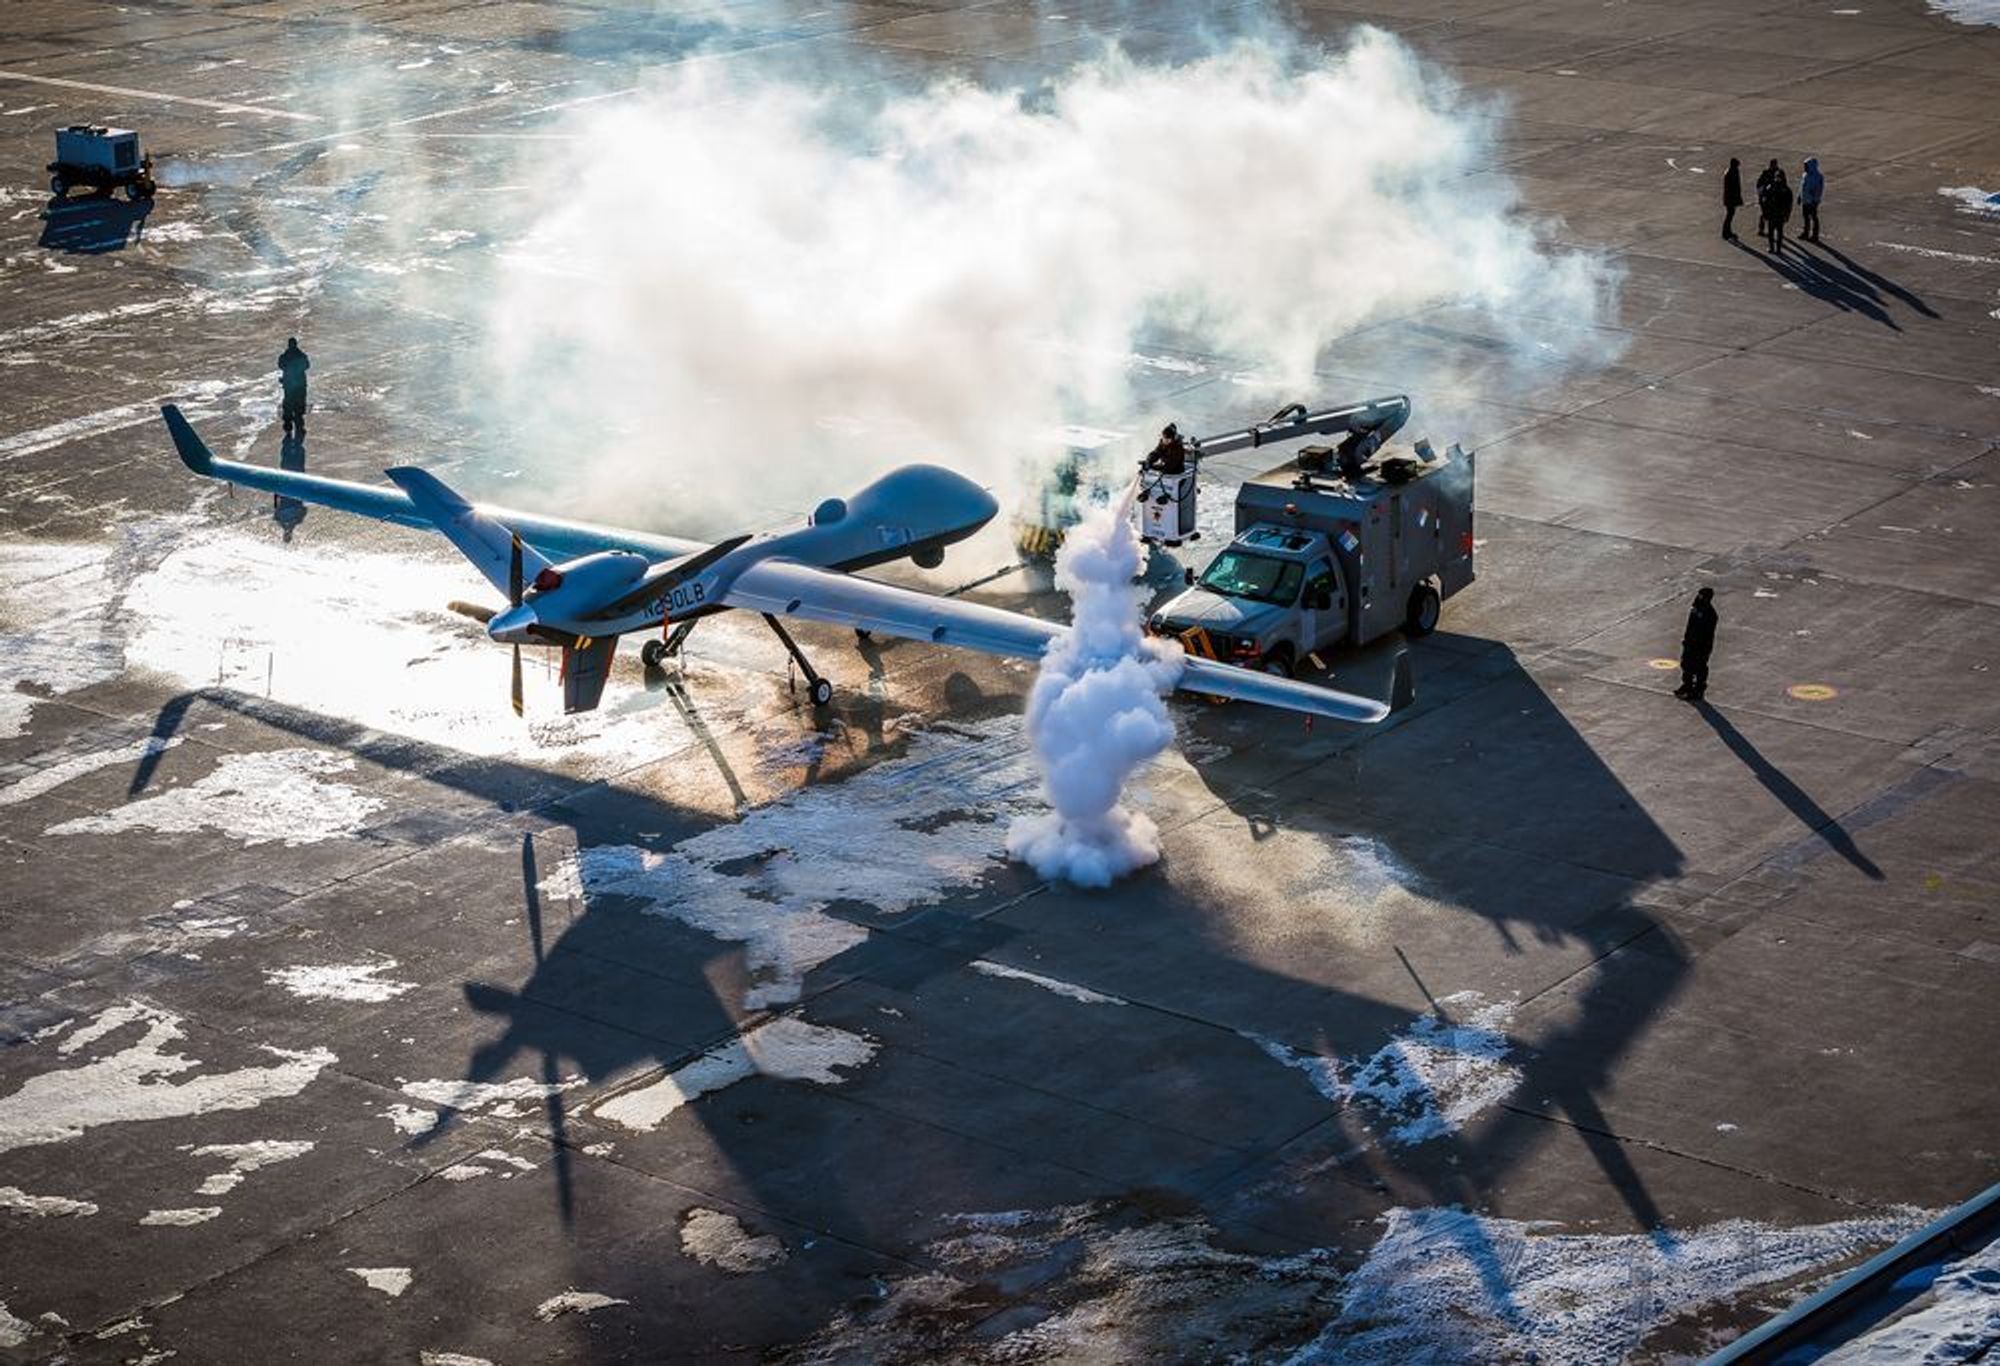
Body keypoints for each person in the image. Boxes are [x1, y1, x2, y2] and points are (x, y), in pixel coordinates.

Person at [1675, 587, 1718, 701]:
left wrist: (1702, 646)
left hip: (1701, 645)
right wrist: (1687, 639)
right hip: (1690, 642)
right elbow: (1690, 625)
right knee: (1686, 663)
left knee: (1699, 666)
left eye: (1702, 595)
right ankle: (1687, 685)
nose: (1699, 597)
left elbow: (1707, 634)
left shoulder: (1710, 614)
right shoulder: (1695, 608)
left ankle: (1699, 689)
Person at [278, 337, 310, 437]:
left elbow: (280, 365)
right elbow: (307, 366)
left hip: (288, 384)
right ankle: (299, 426)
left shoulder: (284, 356)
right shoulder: (301, 355)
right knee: (299, 405)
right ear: (296, 344)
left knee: (288, 403)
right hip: (300, 384)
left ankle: (288, 427)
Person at [1762, 169, 1793, 253]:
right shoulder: (1771, 187)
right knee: (1771, 232)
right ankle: (1772, 247)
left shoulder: (1786, 190)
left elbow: (1789, 204)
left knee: (1779, 233)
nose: (1777, 179)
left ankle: (1778, 248)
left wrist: (1787, 215)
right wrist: (1765, 213)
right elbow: (1765, 201)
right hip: (1772, 214)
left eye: (1779, 177)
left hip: (1780, 214)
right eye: (1776, 177)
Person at [1799, 157, 1824, 243]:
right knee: (1805, 217)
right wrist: (1799, 196)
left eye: (1806, 166)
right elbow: (1802, 186)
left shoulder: (1817, 177)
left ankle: (1815, 235)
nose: (1804, 167)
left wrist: (1815, 200)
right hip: (1805, 200)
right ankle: (1805, 233)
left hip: (1812, 202)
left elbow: (1819, 190)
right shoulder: (1805, 175)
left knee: (1814, 217)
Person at [1754, 158, 1779, 240]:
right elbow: (1759, 184)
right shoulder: (1766, 173)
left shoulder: (1778, 173)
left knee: (1773, 215)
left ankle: (1772, 230)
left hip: (1774, 197)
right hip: (1766, 197)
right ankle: (1761, 229)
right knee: (1764, 214)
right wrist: (1761, 194)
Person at [1722, 157, 1743, 241]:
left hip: (1731, 198)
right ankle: (1725, 232)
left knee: (1730, 214)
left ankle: (1728, 231)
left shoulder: (1733, 171)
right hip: (1730, 198)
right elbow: (1731, 188)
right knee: (1729, 214)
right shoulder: (1730, 173)